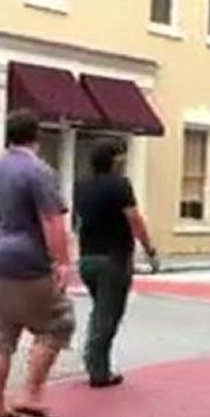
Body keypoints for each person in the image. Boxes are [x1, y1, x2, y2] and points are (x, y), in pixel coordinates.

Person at [0, 109, 75, 417]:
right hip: (25, 259)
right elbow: (51, 219)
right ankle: (31, 392)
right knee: (57, 322)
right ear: (36, 136)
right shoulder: (38, 171)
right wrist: (63, 261)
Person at [73, 138, 154, 387]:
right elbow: (134, 219)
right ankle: (98, 370)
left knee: (100, 310)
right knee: (108, 316)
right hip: (113, 258)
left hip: (88, 256)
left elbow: (79, 220)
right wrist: (149, 248)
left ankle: (96, 362)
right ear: (113, 159)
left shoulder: (81, 185)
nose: (124, 160)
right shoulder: (120, 185)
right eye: (121, 156)